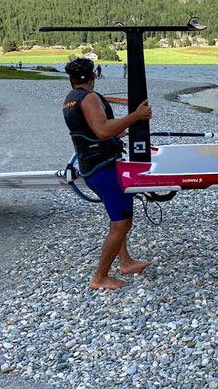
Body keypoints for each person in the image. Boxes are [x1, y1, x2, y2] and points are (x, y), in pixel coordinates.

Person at [62, 57, 153, 290]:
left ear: (71, 79)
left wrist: (115, 133)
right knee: (121, 223)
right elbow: (102, 130)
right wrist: (136, 117)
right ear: (94, 76)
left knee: (115, 217)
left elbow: (92, 131)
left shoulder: (70, 100)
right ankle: (100, 277)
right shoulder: (90, 98)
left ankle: (125, 261)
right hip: (104, 169)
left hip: (91, 166)